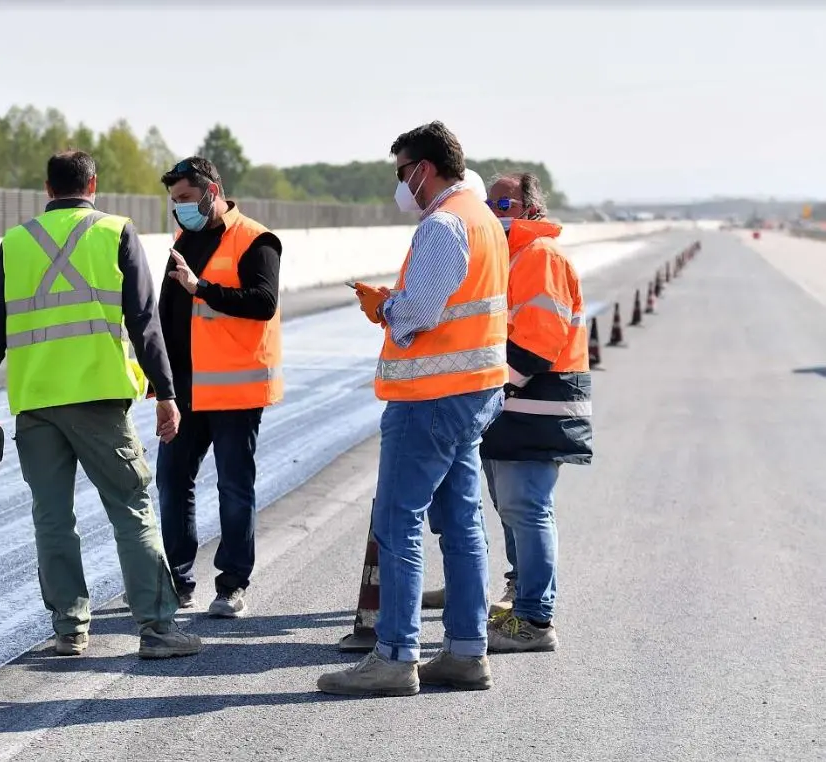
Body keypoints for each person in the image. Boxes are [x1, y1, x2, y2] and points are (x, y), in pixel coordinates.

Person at [0, 150, 203, 660]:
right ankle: (158, 630)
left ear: (47, 188)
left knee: (52, 518)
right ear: (93, 183)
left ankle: (69, 630)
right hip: (98, 400)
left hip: (35, 405)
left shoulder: (16, 243)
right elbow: (145, 321)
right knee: (131, 509)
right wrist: (166, 394)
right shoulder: (115, 232)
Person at [316, 122, 509, 696]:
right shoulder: (485, 222)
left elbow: (419, 313)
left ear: (423, 169)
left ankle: (396, 656)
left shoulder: (444, 224)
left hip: (430, 398)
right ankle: (466, 652)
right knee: (460, 522)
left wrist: (383, 307)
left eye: (402, 173)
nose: (401, 185)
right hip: (473, 393)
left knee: (397, 520)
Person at [154, 156, 284, 619]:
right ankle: (178, 580)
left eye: (187, 199)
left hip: (235, 392)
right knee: (171, 482)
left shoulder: (256, 239)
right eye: (175, 202)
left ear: (214, 189)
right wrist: (161, 388)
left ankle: (231, 586)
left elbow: (263, 303)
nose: (181, 208)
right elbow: (168, 316)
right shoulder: (183, 240)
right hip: (187, 392)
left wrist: (202, 287)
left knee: (233, 487)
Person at [480, 171, 593, 652]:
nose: (493, 210)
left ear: (530, 209)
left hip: (535, 406)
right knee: (514, 508)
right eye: (488, 202)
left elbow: (536, 342)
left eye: (504, 203)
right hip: (517, 407)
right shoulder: (512, 257)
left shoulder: (539, 255)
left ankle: (534, 621)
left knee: (527, 508)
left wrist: (485, 387)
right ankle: (522, 600)